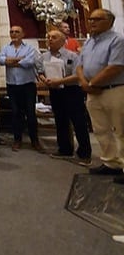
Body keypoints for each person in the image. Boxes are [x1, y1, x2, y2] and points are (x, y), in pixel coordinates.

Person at [77, 8, 124, 182]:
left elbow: (115, 66)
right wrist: (84, 83)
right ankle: (111, 163)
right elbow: (79, 65)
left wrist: (91, 84)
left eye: (97, 19)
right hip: (93, 92)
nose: (92, 22)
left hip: (114, 90)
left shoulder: (117, 40)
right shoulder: (89, 42)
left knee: (121, 129)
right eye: (90, 19)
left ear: (110, 22)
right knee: (101, 129)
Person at [36, 29, 91, 163]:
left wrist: (60, 81)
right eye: (48, 37)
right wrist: (44, 79)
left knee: (78, 121)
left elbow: (77, 75)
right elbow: (40, 71)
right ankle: (65, 149)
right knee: (60, 121)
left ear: (62, 41)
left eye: (54, 37)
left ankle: (84, 152)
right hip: (55, 91)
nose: (50, 40)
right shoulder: (44, 57)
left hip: (72, 91)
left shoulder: (72, 56)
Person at [0, 25, 44, 152]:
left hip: (27, 85)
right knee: (15, 113)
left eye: (17, 32)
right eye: (12, 32)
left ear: (23, 34)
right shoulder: (6, 48)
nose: (14, 34)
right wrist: (19, 60)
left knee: (30, 113)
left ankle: (35, 140)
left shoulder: (30, 48)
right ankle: (17, 140)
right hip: (12, 85)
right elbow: (1, 61)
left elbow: (29, 62)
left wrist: (11, 61)